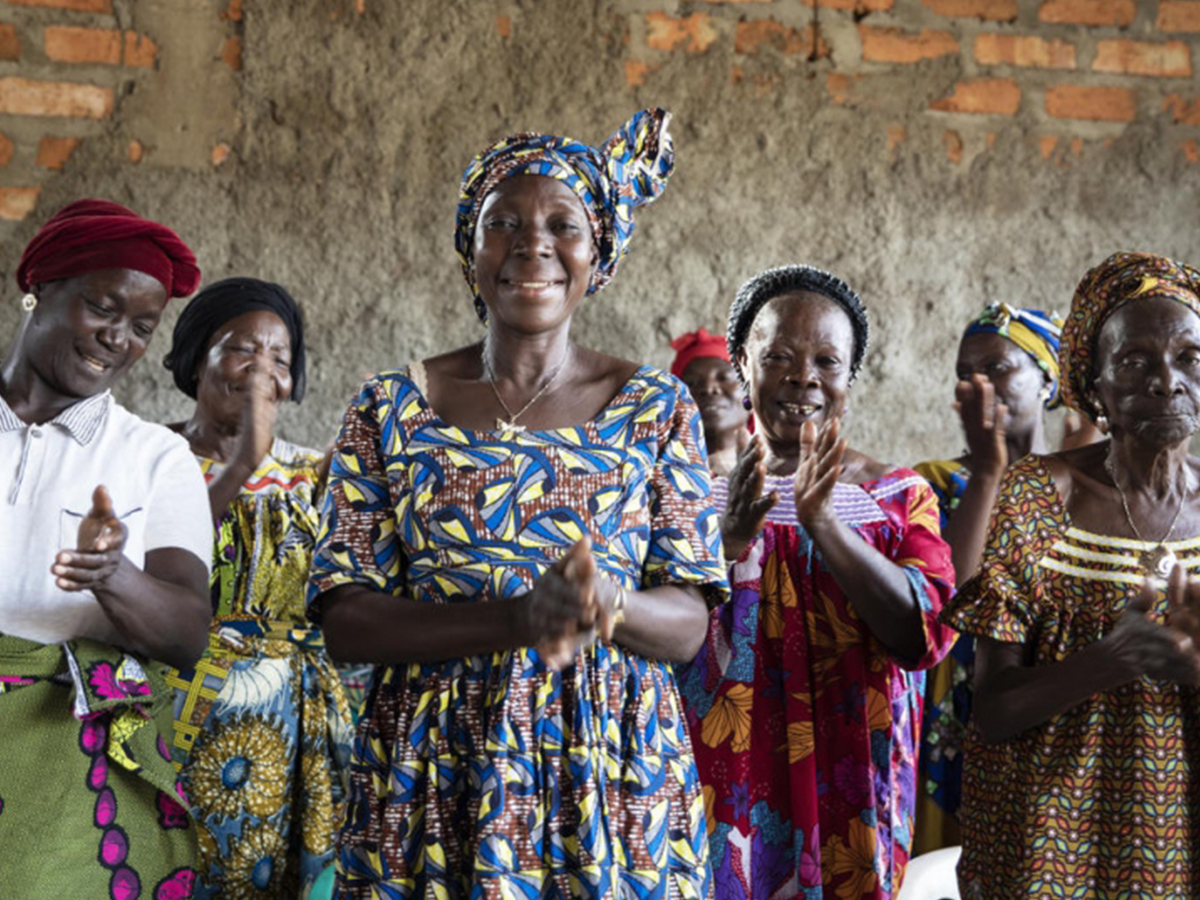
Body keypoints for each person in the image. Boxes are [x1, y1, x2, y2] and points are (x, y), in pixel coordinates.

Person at [308, 108, 728, 899]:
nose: (532, 243)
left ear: (597, 253)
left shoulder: (656, 406)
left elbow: (688, 627)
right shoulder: (391, 408)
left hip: (610, 774)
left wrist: (608, 602)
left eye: (562, 225)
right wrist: (518, 619)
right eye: (502, 222)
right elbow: (345, 620)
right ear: (471, 253)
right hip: (430, 775)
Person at [678, 264, 957, 900]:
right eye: (777, 354)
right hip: (722, 785)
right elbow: (660, 632)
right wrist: (726, 539)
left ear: (849, 381)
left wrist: (823, 523)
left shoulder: (895, 498)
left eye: (827, 360)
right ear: (743, 370)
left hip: (850, 789)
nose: (802, 374)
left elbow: (924, 636)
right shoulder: (694, 496)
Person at [942, 251, 1200, 898]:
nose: (1167, 380)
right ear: (1095, 385)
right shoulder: (1040, 495)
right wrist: (1112, 658)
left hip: (1182, 850)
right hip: (1047, 851)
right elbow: (993, 711)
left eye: (1189, 357)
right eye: (1135, 361)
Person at [0, 199, 210, 897]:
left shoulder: (154, 459)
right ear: (38, 289)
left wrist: (112, 574)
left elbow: (186, 634)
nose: (118, 338)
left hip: (63, 754)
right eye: (103, 308)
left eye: (142, 327)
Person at [161, 278, 354, 899]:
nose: (262, 369)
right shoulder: (148, 456)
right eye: (243, 348)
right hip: (179, 717)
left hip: (293, 729)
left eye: (281, 358)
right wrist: (241, 463)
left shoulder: (315, 474)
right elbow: (159, 569)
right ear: (197, 359)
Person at [911, 303, 1063, 854]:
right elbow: (950, 601)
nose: (979, 383)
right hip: (957, 719)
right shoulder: (932, 485)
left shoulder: (1084, 489)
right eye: (964, 373)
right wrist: (987, 472)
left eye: (999, 367)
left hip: (1060, 713)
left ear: (1049, 380)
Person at [671, 327, 750, 476]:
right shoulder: (658, 474)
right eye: (692, 383)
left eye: (724, 378)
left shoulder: (777, 470)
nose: (708, 388)